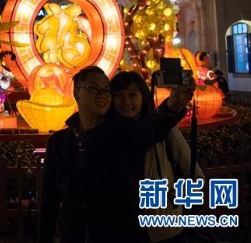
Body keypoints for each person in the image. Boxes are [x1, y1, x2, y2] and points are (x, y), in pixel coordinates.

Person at [38, 65, 194, 243]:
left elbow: (154, 127)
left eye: (106, 90)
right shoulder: (59, 142)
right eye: (93, 88)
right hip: (75, 235)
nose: (102, 94)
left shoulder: (124, 131)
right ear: (76, 93)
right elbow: (49, 201)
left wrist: (173, 105)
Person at [110, 70, 205, 243]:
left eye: (133, 94)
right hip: (124, 230)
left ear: (143, 97)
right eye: (118, 95)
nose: (126, 101)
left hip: (166, 229)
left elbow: (194, 175)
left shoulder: (166, 131)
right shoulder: (107, 135)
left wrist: (170, 200)